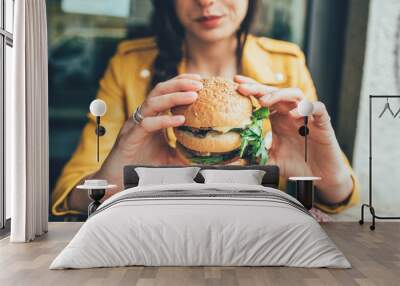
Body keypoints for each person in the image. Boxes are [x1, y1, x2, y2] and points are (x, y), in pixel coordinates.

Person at [52, 0, 360, 216]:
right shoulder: (128, 65)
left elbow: (341, 195)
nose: (206, 2)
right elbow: (69, 195)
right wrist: (118, 176)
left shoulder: (286, 64)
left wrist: (325, 177)